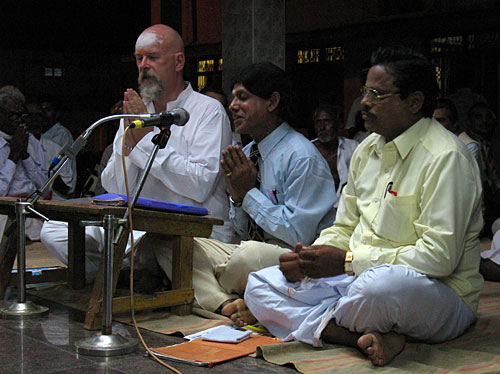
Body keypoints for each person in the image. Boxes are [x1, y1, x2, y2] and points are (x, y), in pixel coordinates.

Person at [240, 47, 483, 367]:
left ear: (414, 102)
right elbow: (345, 226)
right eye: (364, 91)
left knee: (379, 287)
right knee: (258, 285)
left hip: (437, 293)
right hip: (355, 281)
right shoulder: (367, 149)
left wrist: (349, 262)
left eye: (377, 94)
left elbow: (438, 258)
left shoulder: (446, 157)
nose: (364, 102)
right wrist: (311, 258)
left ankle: (316, 321)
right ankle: (358, 335)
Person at [40, 24, 233, 284]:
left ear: (178, 62)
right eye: (139, 58)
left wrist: (141, 143)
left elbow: (199, 185)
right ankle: (125, 278)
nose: (144, 65)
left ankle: (124, 277)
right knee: (54, 230)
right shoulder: (135, 112)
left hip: (184, 234)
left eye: (152, 57)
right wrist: (129, 146)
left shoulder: (208, 111)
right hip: (136, 229)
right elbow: (114, 185)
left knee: (154, 245)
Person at [151, 62, 336, 313]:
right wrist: (238, 199)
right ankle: (227, 303)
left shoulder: (301, 156)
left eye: (243, 97)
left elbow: (298, 235)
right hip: (251, 254)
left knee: (247, 255)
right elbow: (243, 230)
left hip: (296, 258)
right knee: (169, 243)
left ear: (272, 102)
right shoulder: (247, 154)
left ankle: (217, 290)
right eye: (233, 97)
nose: (232, 106)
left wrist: (248, 194)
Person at [0, 88, 49, 240]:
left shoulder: (32, 141)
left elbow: (45, 189)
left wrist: (25, 155)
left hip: (31, 211)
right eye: (12, 115)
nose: (18, 120)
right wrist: (13, 156)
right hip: (3, 214)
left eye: (22, 115)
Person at [458, 102, 499, 236]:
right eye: (479, 117)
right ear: (469, 121)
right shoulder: (469, 145)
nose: (484, 121)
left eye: (488, 117)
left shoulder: (489, 142)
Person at [311, 104, 358, 205]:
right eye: (318, 122)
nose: (322, 127)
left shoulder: (352, 147)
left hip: (346, 207)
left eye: (327, 121)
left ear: (338, 123)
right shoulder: (308, 150)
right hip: (317, 211)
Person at [26, 102, 74, 200]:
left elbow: (66, 188)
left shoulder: (55, 149)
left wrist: (47, 171)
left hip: (54, 205)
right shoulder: (17, 146)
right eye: (30, 115)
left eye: (38, 115)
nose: (34, 119)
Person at [39, 100, 76, 197]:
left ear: (57, 113)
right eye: (42, 110)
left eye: (48, 110)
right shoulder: (40, 135)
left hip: (58, 194)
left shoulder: (61, 134)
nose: (44, 114)